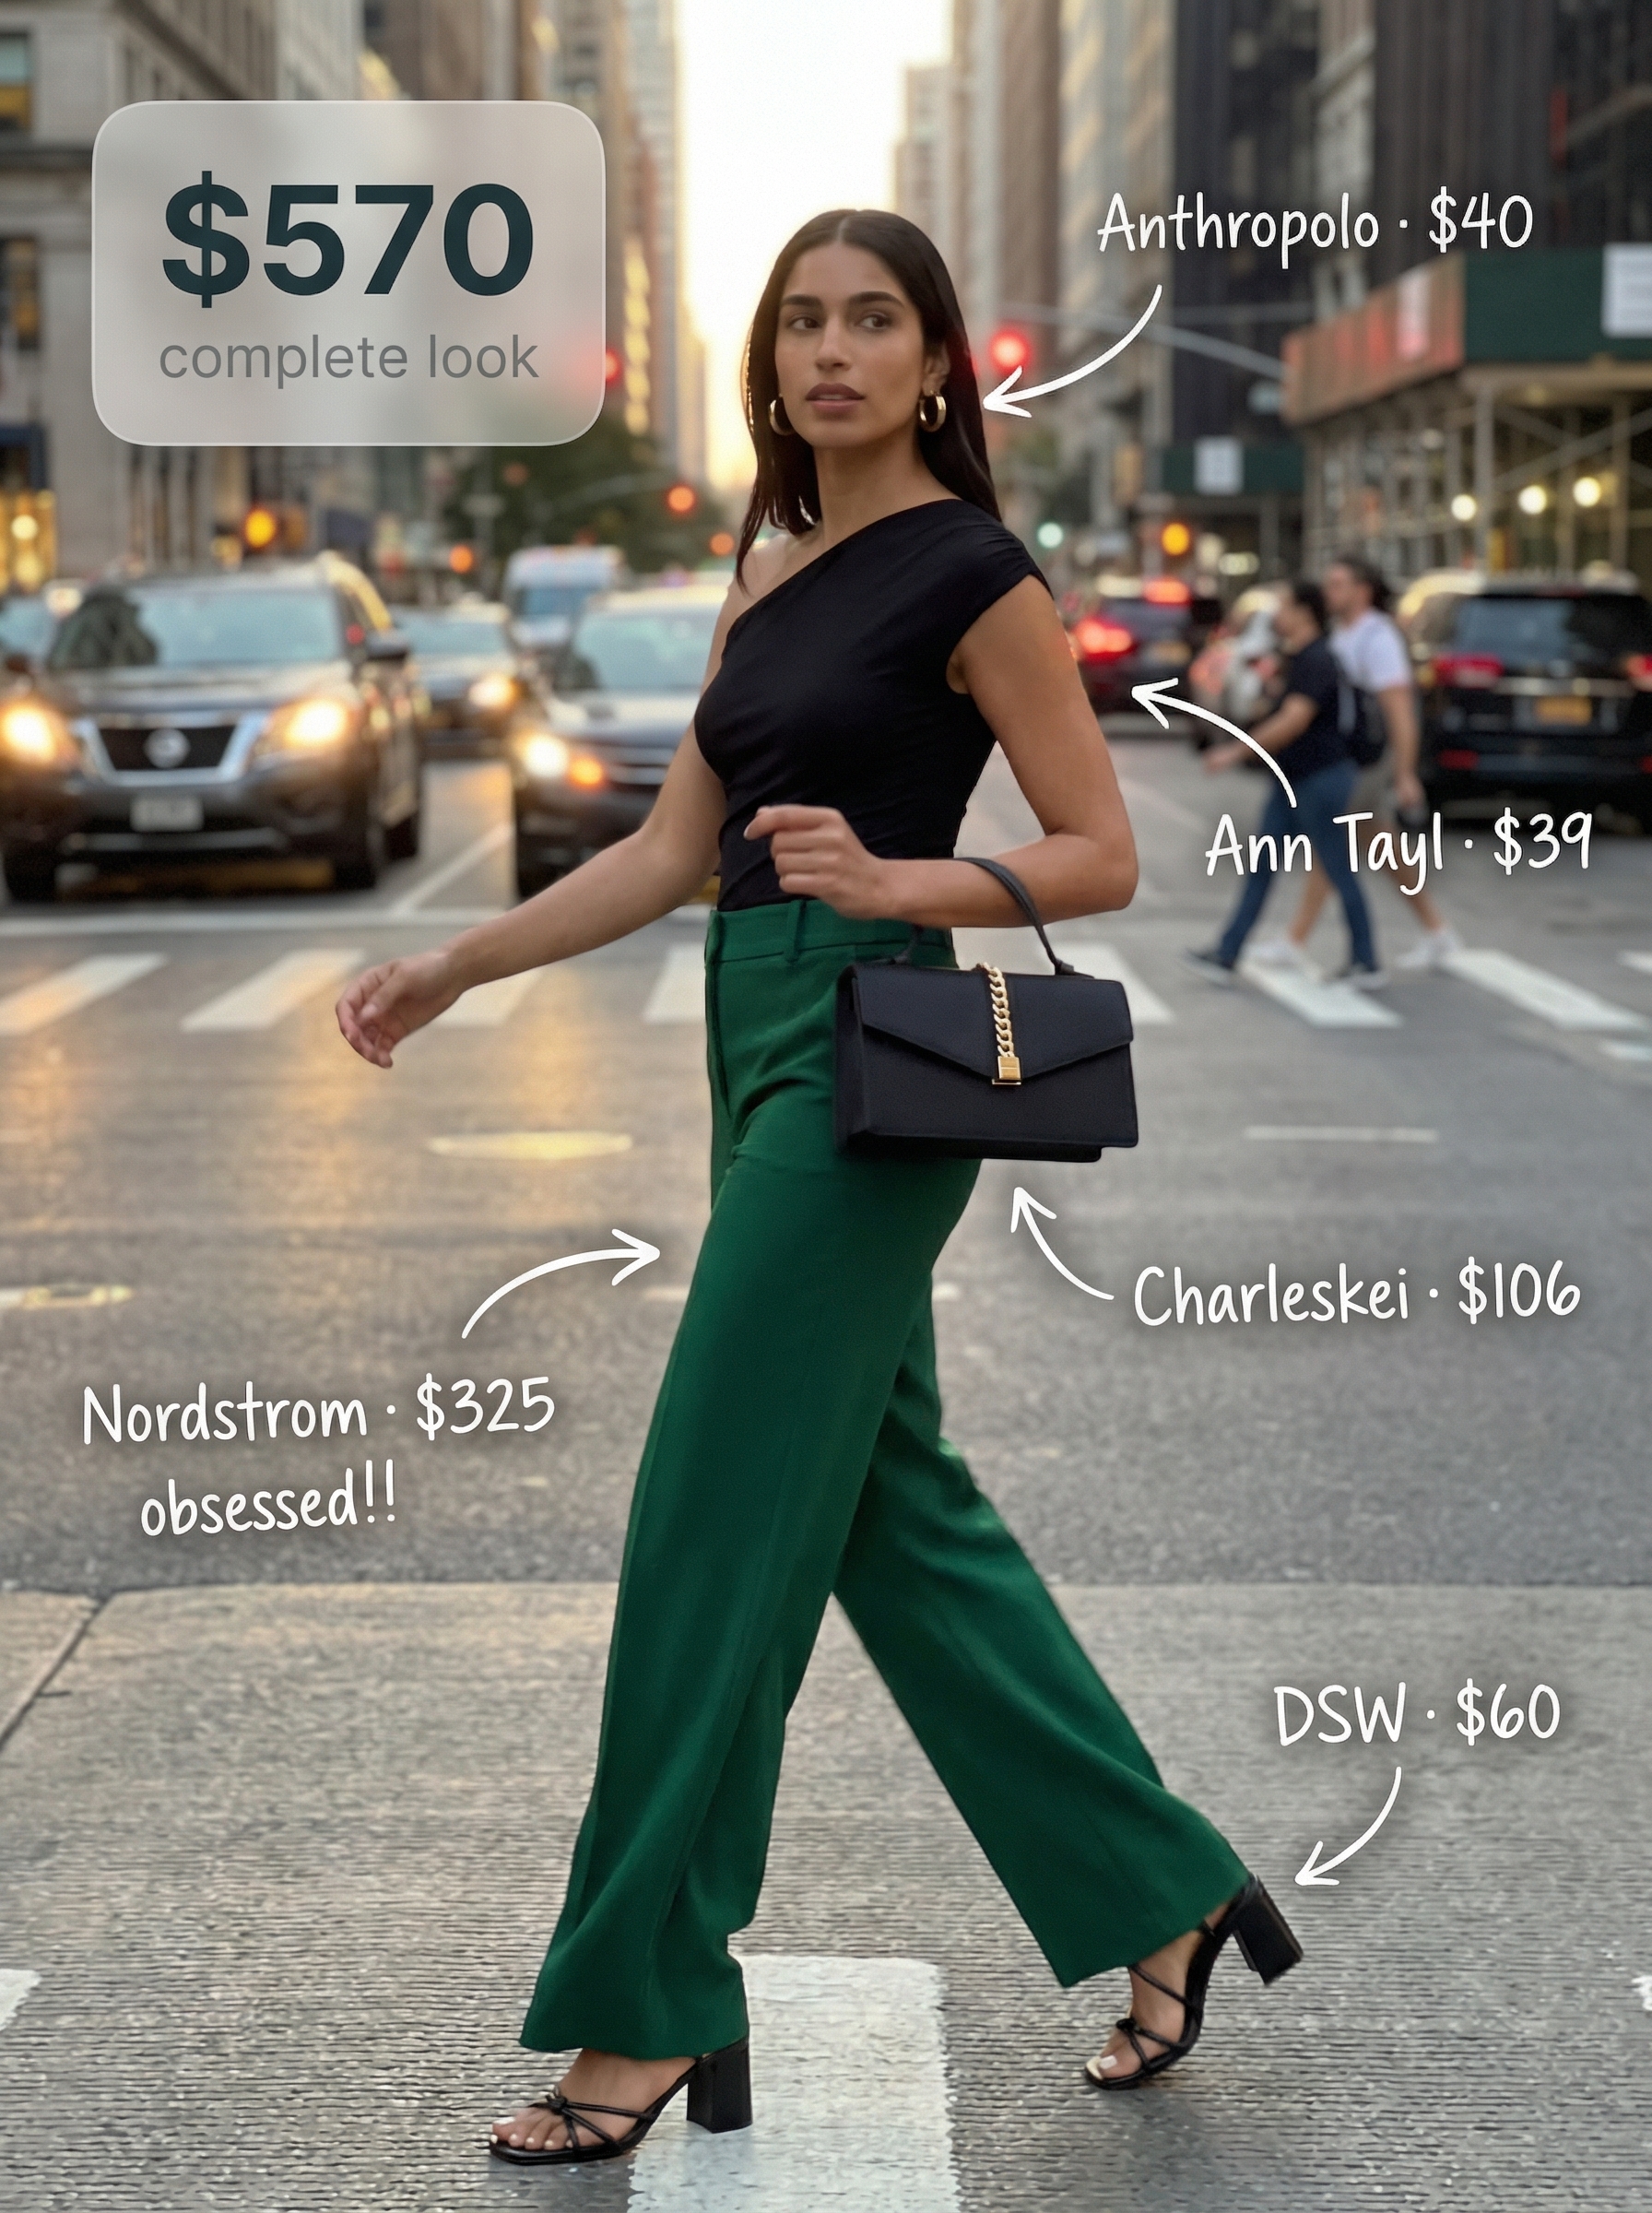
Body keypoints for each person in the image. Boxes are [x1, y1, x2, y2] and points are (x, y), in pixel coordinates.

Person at [337, 207, 1301, 2165]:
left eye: (874, 320)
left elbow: (1099, 848)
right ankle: (1165, 1892)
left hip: (876, 1057)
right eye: (802, 322)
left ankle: (645, 2002)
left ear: (940, 358)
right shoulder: (760, 573)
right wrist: (455, 963)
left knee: (705, 1510)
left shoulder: (977, 575)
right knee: (893, 1519)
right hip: (747, 1023)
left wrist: (902, 888)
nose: (834, 351)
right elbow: (673, 850)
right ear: (767, 361)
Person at [1248, 553, 1460, 973]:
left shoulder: (1377, 636)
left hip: (1367, 760)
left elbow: (1399, 709)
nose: (1329, 593)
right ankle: (1436, 931)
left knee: (1337, 843)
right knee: (1379, 846)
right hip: (1345, 758)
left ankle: (1306, 942)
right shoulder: (1341, 635)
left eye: (1338, 585)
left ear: (1362, 590)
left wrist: (1403, 773)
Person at [1186, 576, 1383, 986]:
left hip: (1320, 779)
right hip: (1295, 779)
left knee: (1337, 867)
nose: (1276, 614)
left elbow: (1293, 721)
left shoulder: (1316, 659)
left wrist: (1236, 751)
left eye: (1283, 606)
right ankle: (1228, 951)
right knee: (1263, 864)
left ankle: (1366, 959)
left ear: (1304, 613)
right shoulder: (1303, 657)